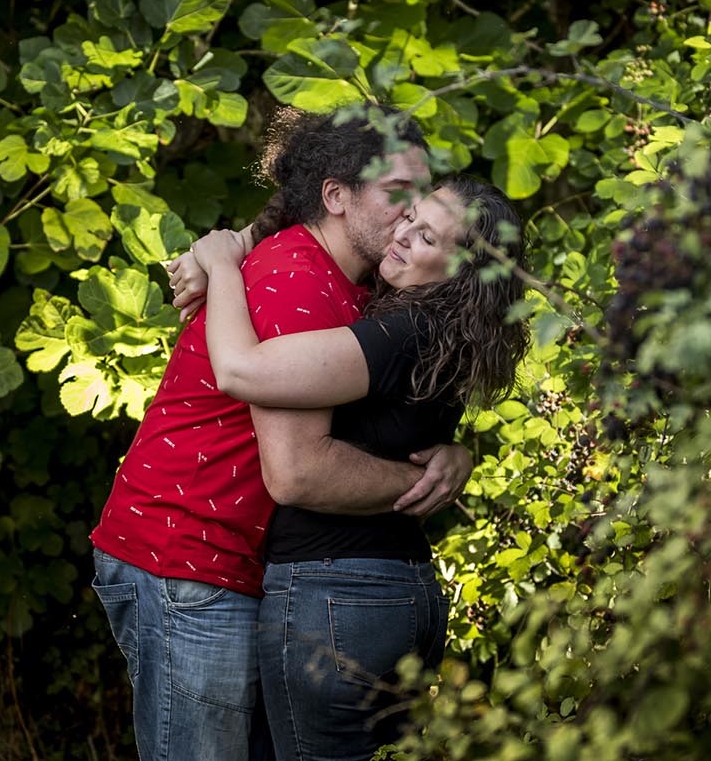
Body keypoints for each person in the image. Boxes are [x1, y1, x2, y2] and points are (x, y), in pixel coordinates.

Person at [89, 108, 475, 761]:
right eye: (398, 198)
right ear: (336, 196)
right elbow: (298, 471)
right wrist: (426, 480)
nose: (412, 219)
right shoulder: (299, 283)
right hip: (186, 560)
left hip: (220, 560)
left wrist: (458, 451)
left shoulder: (347, 284)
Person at [189, 174, 530, 761]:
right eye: (410, 217)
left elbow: (243, 371)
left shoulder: (404, 331)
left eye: (426, 237)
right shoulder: (443, 330)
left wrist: (222, 265)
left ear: (459, 274)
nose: (401, 235)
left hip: (337, 594)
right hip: (399, 591)